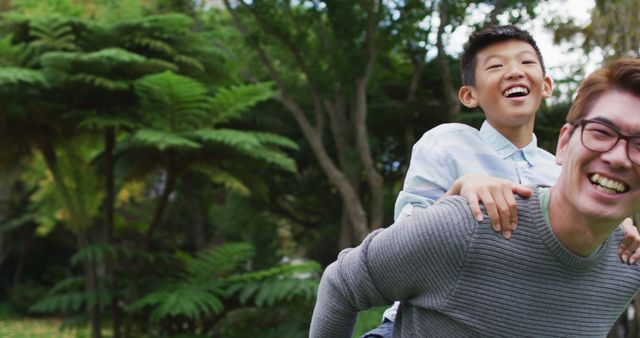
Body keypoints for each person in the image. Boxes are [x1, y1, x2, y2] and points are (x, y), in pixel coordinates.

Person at [310, 58, 640, 337]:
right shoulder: (468, 224)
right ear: (565, 143)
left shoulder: (627, 266)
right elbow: (340, 284)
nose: (619, 157)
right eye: (601, 132)